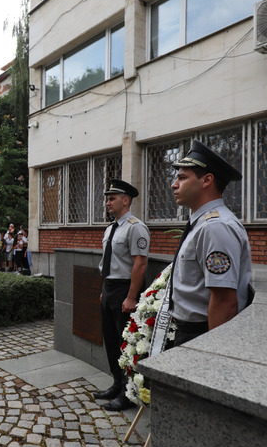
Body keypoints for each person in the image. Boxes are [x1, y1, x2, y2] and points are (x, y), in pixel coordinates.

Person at [168, 140, 253, 344]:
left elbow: (224, 301)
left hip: (201, 333)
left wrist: (213, 354)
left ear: (206, 180)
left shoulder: (215, 227)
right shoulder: (202, 223)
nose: (174, 184)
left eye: (182, 178)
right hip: (191, 329)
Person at [92, 179, 150, 412]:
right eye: (107, 198)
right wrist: (103, 291)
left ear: (125, 201)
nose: (107, 202)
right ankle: (117, 384)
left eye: (112, 198)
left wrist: (131, 297)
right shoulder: (111, 228)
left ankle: (128, 393)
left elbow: (140, 264)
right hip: (109, 289)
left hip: (126, 290)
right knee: (111, 341)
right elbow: (108, 263)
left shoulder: (136, 227)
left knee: (127, 343)